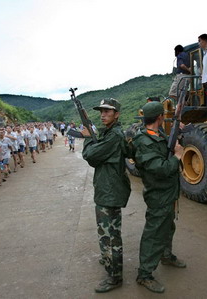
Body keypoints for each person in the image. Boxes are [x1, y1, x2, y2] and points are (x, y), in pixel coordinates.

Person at [133, 101, 185, 293]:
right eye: (164, 116)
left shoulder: (157, 134)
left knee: (168, 226)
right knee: (154, 234)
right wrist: (178, 156)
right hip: (158, 193)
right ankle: (144, 274)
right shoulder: (143, 140)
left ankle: (166, 255)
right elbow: (160, 169)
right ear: (159, 118)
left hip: (168, 192)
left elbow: (165, 148)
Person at [81, 98, 131, 293]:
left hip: (110, 191)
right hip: (106, 188)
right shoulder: (109, 133)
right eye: (101, 111)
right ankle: (107, 258)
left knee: (111, 236)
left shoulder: (114, 136)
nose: (103, 114)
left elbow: (91, 156)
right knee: (105, 232)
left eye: (107, 111)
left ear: (116, 114)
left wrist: (87, 137)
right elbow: (97, 159)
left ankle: (115, 276)